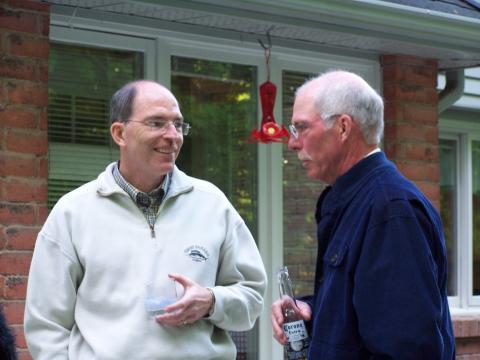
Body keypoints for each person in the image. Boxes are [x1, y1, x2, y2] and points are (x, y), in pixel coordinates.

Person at [24, 80, 267, 359]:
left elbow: (252, 297)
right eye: (156, 123)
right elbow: (45, 325)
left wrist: (212, 301)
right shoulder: (73, 212)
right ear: (120, 133)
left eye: (178, 124)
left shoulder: (212, 204)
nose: (173, 135)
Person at [271, 70, 455, 359]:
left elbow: (407, 348)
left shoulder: (390, 210)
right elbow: (369, 312)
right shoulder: (354, 200)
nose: (293, 143)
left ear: (343, 127)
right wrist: (312, 310)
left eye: (301, 128)